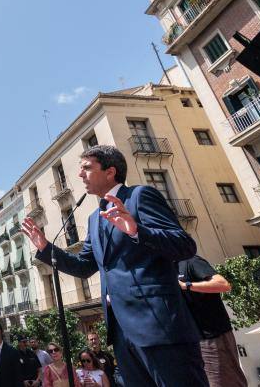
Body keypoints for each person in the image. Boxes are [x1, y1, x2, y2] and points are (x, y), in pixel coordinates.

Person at [22, 145, 207, 387]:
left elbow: (184, 245)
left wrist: (137, 230)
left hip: (160, 327)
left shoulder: (140, 196)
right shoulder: (94, 218)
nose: (80, 174)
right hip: (121, 334)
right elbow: (84, 266)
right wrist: (46, 248)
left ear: (110, 172)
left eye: (87, 168)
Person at [177, 254, 248, 387]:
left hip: (213, 336)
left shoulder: (191, 261)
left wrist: (187, 285)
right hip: (191, 340)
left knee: (223, 383)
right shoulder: (167, 268)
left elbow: (223, 284)